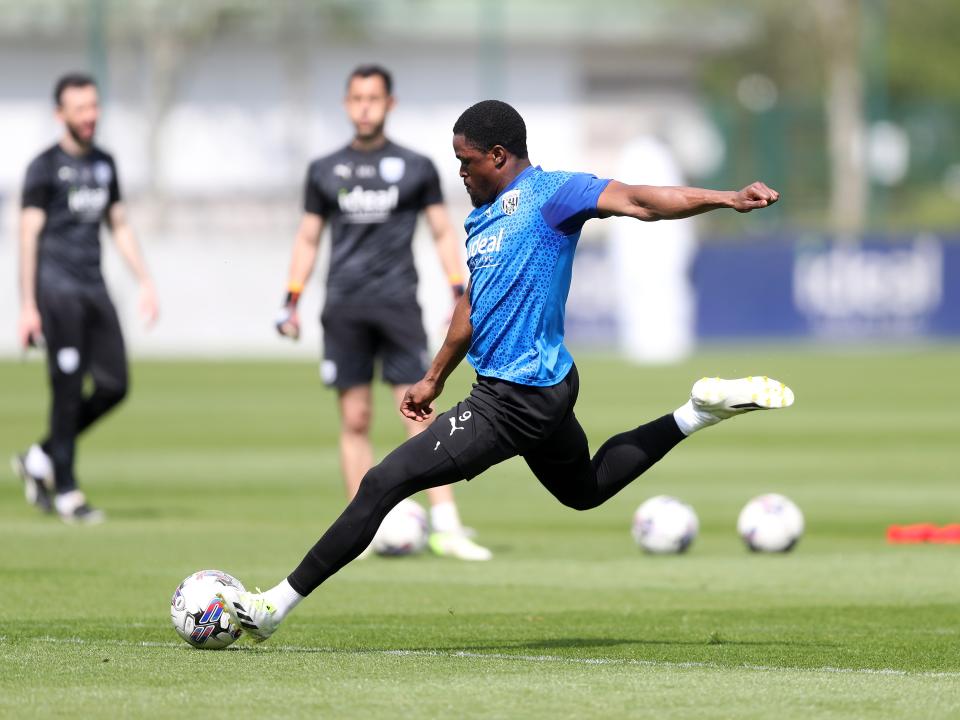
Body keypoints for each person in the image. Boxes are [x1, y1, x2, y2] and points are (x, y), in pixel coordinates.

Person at [218, 99, 792, 640]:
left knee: (382, 482)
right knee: (586, 490)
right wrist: (435, 377)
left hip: (512, 401)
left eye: (465, 161)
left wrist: (726, 198)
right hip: (542, 390)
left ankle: (274, 605)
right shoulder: (481, 219)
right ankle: (697, 411)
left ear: (497, 155)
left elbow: (641, 200)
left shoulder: (552, 195)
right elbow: (471, 307)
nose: (460, 173)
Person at [274, 64, 491, 561]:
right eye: (356, 98)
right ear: (347, 104)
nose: (365, 106)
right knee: (356, 418)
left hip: (398, 304)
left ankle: (447, 525)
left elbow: (440, 230)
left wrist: (458, 291)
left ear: (389, 104)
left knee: (420, 412)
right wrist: (291, 299)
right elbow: (308, 236)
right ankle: (359, 532)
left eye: (374, 98)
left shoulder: (415, 167)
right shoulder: (324, 169)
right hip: (344, 307)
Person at [11, 73, 159, 524]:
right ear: (61, 114)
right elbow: (27, 236)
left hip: (95, 288)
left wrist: (145, 280)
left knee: (115, 386)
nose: (90, 116)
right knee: (68, 390)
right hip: (57, 292)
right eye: (80, 109)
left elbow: (118, 224)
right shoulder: (43, 168)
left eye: (94, 106)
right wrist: (28, 305)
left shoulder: (104, 164)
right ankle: (67, 491)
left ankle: (40, 455)